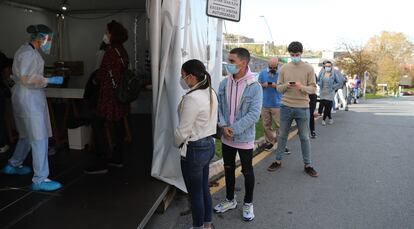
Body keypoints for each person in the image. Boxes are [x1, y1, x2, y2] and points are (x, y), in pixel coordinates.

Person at [1, 24, 64, 191]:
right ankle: (40, 179)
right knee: (39, 137)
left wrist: (44, 79)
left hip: (23, 96)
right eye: (47, 38)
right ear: (41, 38)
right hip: (29, 97)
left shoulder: (24, 50)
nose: (48, 42)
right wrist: (49, 80)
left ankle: (14, 164)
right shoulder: (29, 53)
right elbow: (27, 77)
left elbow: (25, 76)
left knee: (27, 135)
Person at [214, 48, 262, 221]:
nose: (229, 64)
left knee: (247, 171)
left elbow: (254, 114)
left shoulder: (254, 86)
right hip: (226, 136)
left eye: (232, 61)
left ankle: (248, 203)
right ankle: (230, 200)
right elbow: (218, 107)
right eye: (228, 60)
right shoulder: (224, 83)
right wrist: (224, 125)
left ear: (244, 63)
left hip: (243, 138)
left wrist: (233, 129)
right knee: (228, 168)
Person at [175, 59, 217, 229]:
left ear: (191, 76)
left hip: (195, 149)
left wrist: (176, 142)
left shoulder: (192, 98)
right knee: (203, 189)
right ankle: (207, 225)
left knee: (195, 193)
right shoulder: (210, 91)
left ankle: (198, 226)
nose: (182, 78)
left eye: (183, 75)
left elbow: (182, 131)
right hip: (208, 146)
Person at [84, 20, 130, 174]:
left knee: (97, 125)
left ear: (112, 34)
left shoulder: (110, 52)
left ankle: (101, 162)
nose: (105, 34)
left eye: (107, 32)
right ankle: (118, 158)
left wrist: (94, 80)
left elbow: (101, 74)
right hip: (120, 96)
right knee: (118, 126)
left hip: (108, 97)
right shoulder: (122, 51)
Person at [267, 41, 319, 177]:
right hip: (285, 106)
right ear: (289, 54)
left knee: (304, 137)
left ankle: (308, 165)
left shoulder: (308, 68)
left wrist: (301, 87)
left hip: (303, 107)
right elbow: (278, 88)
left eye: (297, 54)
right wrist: (286, 86)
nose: (294, 57)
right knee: (282, 135)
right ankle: (278, 161)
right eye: (292, 55)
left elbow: (313, 89)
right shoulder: (284, 68)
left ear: (301, 53)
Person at [257, 57, 290, 154]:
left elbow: (285, 88)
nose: (272, 69)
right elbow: (257, 85)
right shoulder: (262, 73)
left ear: (277, 66)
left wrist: (277, 86)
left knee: (280, 126)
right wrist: (263, 85)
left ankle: (282, 145)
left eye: (274, 67)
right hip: (265, 104)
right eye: (270, 67)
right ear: (268, 65)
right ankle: (270, 142)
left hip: (277, 104)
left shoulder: (281, 74)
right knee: (266, 125)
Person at [317, 60, 342, 126]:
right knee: (322, 106)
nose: (327, 67)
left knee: (327, 107)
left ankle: (323, 120)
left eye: (329, 66)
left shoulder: (334, 74)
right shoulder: (322, 73)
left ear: (331, 67)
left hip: (330, 93)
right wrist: (320, 84)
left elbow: (339, 82)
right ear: (324, 67)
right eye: (326, 66)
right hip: (323, 92)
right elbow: (318, 80)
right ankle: (330, 118)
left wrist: (333, 87)